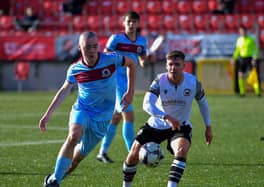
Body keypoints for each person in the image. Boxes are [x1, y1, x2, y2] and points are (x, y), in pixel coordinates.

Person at [39, 31, 136, 187]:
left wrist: (130, 91)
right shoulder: (75, 69)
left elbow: (131, 64)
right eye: (87, 47)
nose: (91, 51)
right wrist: (47, 114)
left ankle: (57, 176)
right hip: (83, 110)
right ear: (79, 47)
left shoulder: (111, 59)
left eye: (94, 46)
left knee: (76, 160)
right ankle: (54, 181)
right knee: (73, 136)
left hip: (103, 119)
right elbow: (65, 89)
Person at [122, 50, 213, 187]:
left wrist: (208, 127)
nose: (173, 68)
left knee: (181, 150)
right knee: (133, 153)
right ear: (166, 65)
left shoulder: (193, 83)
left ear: (184, 66)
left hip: (180, 126)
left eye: (177, 64)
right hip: (156, 124)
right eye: (170, 64)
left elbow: (203, 104)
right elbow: (147, 104)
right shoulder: (159, 81)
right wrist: (166, 117)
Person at [95, 11, 149, 163]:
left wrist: (144, 61)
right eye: (129, 22)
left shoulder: (142, 41)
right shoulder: (116, 39)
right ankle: (133, 153)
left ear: (138, 24)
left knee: (116, 118)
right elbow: (105, 56)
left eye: (134, 22)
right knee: (129, 116)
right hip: (116, 81)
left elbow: (142, 58)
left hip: (129, 81)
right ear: (124, 23)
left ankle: (102, 152)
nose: (131, 25)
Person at [231, 26, 260, 97]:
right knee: (240, 75)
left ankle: (257, 92)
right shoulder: (239, 40)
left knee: (253, 76)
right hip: (242, 59)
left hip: (250, 59)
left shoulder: (251, 39)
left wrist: (254, 58)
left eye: (243, 31)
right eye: (240, 31)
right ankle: (242, 93)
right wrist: (233, 58)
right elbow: (237, 51)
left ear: (246, 32)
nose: (241, 33)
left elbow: (255, 49)